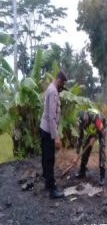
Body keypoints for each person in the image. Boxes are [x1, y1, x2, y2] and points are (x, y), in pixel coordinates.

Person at [40, 70, 67, 199]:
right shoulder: (53, 92)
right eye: (62, 84)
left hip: (44, 129)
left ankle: (46, 181)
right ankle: (52, 189)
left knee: (45, 156)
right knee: (50, 158)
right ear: (59, 81)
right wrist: (56, 137)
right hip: (48, 130)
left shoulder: (51, 89)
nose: (62, 88)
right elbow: (51, 116)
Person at [75, 108, 107, 186]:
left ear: (87, 119)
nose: (84, 126)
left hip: (102, 128)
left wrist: (95, 137)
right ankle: (82, 172)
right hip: (93, 130)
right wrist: (77, 152)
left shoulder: (95, 117)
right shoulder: (81, 122)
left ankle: (102, 176)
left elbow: (101, 130)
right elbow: (80, 137)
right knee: (85, 148)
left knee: (102, 150)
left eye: (85, 124)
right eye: (83, 125)